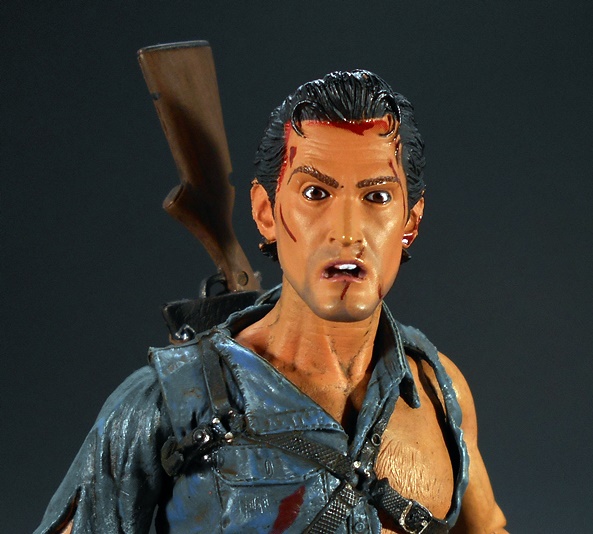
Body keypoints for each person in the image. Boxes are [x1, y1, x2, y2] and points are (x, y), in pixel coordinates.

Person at [36, 70, 507, 533]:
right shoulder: (164, 405)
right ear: (266, 213)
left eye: (377, 196)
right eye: (315, 193)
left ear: (410, 222)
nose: (347, 232)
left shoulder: (439, 390)